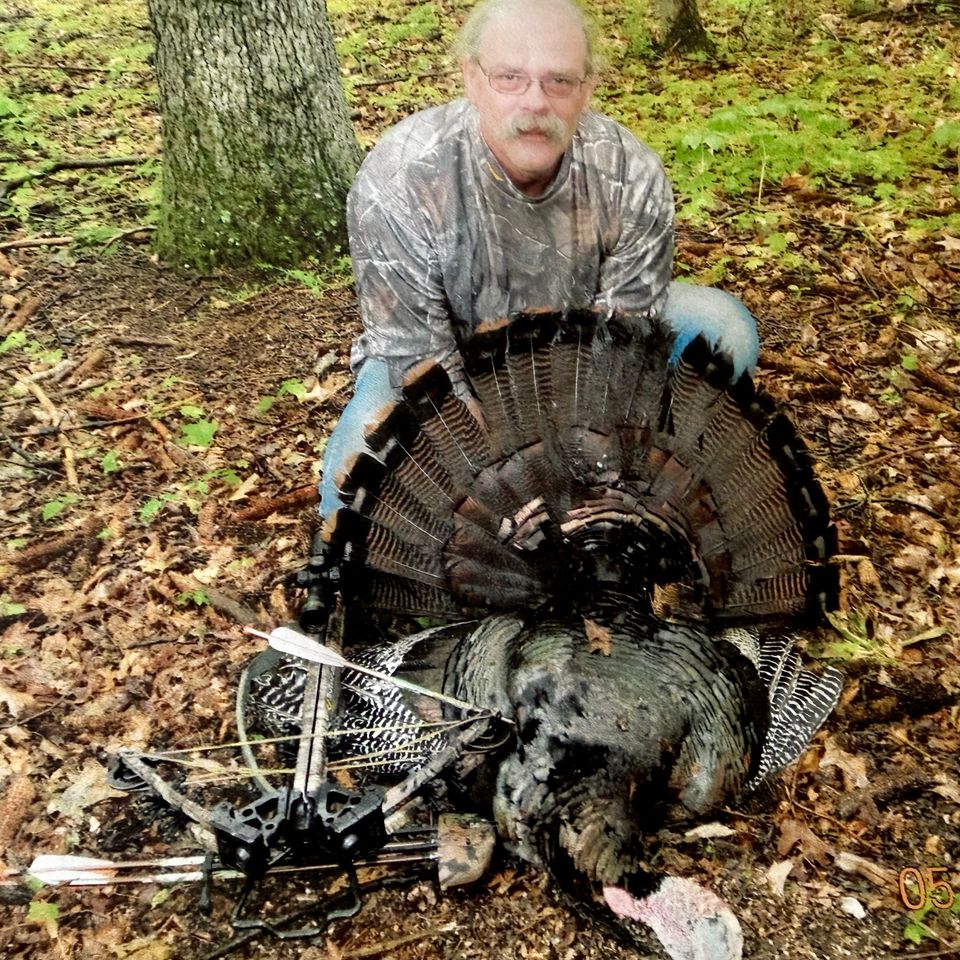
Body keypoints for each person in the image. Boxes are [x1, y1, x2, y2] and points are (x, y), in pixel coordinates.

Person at [320, 0, 759, 519]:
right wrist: (512, 481)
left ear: (588, 88)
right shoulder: (400, 177)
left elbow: (623, 343)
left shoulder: (630, 172)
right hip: (448, 362)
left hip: (579, 353)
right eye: (510, 77)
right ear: (472, 78)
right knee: (348, 490)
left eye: (559, 81)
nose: (535, 102)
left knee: (724, 328)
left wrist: (588, 458)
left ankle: (666, 484)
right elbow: (417, 358)